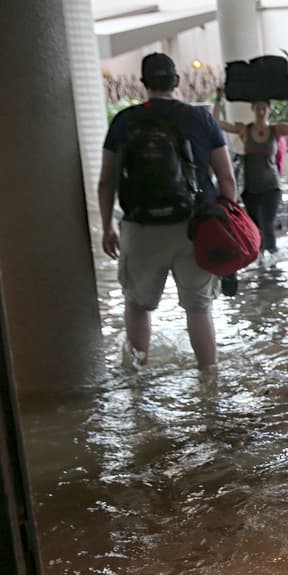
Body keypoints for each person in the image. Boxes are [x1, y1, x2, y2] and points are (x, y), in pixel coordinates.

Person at [97, 52, 239, 370]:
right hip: (196, 228)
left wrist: (108, 227)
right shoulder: (201, 118)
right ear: (176, 81)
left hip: (140, 228)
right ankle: (209, 383)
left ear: (143, 83)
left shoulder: (124, 121)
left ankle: (137, 382)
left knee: (138, 305)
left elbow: (106, 182)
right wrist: (228, 224)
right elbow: (227, 179)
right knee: (198, 308)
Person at [212, 92, 288, 262]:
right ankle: (260, 264)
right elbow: (216, 123)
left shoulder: (275, 130)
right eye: (258, 108)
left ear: (269, 110)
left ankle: (272, 265)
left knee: (267, 225)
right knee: (255, 227)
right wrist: (218, 99)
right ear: (253, 109)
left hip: (271, 187)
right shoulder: (245, 130)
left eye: (264, 108)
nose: (261, 111)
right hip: (251, 189)